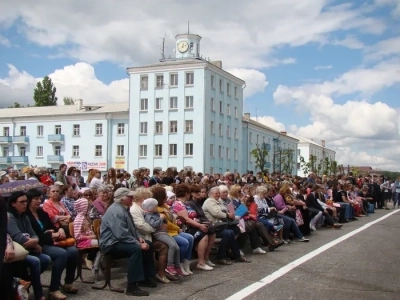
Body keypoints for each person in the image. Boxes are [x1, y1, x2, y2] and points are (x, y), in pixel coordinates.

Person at [99, 188, 156, 297]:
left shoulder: (123, 209)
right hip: (110, 244)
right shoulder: (116, 211)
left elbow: (132, 228)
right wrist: (138, 244)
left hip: (118, 240)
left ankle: (145, 277)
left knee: (149, 244)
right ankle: (132, 286)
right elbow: (121, 234)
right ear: (122, 199)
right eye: (130, 197)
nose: (132, 198)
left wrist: (139, 238)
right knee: (135, 249)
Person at [26, 189, 79, 300]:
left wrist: (59, 230)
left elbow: (52, 226)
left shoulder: (42, 212)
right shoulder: (26, 215)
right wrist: (50, 234)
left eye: (40, 198)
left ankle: (68, 283)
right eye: (36, 199)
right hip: (40, 244)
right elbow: (34, 235)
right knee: (61, 254)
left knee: (73, 251)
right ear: (29, 200)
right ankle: (54, 289)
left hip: (52, 240)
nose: (39, 201)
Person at [7, 191, 51, 300]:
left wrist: (34, 242)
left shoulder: (24, 216)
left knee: (46, 259)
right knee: (35, 261)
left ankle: (25, 281)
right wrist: (35, 243)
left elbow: (34, 235)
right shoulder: (10, 217)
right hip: (16, 251)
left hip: (28, 248)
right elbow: (18, 237)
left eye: (26, 201)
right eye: (22, 202)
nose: (25, 204)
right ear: (13, 203)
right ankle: (38, 294)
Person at [142, 198, 185, 276]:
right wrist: (161, 218)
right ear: (151, 208)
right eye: (155, 206)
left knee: (177, 247)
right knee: (171, 245)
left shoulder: (156, 213)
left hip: (164, 232)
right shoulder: (148, 215)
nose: (156, 207)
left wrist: (164, 218)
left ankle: (177, 266)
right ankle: (170, 265)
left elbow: (165, 221)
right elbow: (154, 225)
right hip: (158, 233)